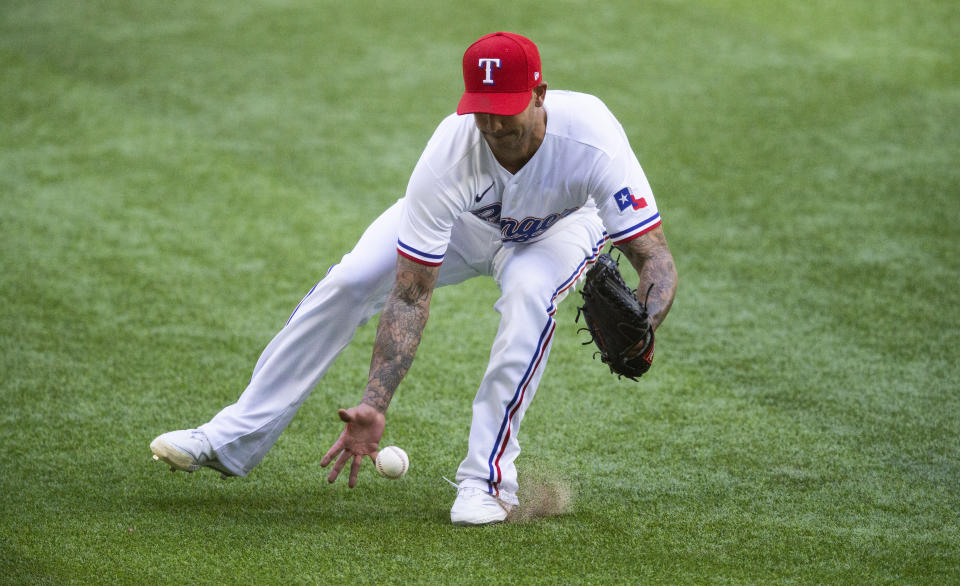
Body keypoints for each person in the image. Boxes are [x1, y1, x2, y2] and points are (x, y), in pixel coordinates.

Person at [150, 31, 678, 526]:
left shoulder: (593, 138)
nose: (493, 126)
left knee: (528, 299)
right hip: (467, 227)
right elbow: (408, 295)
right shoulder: (451, 153)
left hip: (558, 230)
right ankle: (231, 438)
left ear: (539, 94)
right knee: (351, 280)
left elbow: (653, 257)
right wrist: (374, 405)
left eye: (505, 110)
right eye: (482, 112)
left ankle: (486, 483)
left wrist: (644, 322)